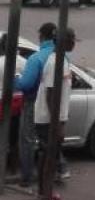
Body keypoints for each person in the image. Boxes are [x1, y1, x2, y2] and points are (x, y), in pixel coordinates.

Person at [35, 28, 76, 196]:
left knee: (51, 156)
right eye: (72, 39)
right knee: (48, 156)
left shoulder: (63, 60)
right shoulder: (54, 63)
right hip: (48, 120)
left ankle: (46, 191)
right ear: (62, 41)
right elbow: (51, 95)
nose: (74, 43)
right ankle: (43, 194)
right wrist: (56, 124)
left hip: (54, 119)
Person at [15, 23, 57, 187]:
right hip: (54, 104)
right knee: (48, 139)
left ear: (41, 36)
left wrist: (16, 78)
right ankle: (55, 172)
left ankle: (26, 177)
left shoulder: (36, 58)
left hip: (33, 102)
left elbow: (25, 84)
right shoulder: (58, 56)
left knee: (27, 140)